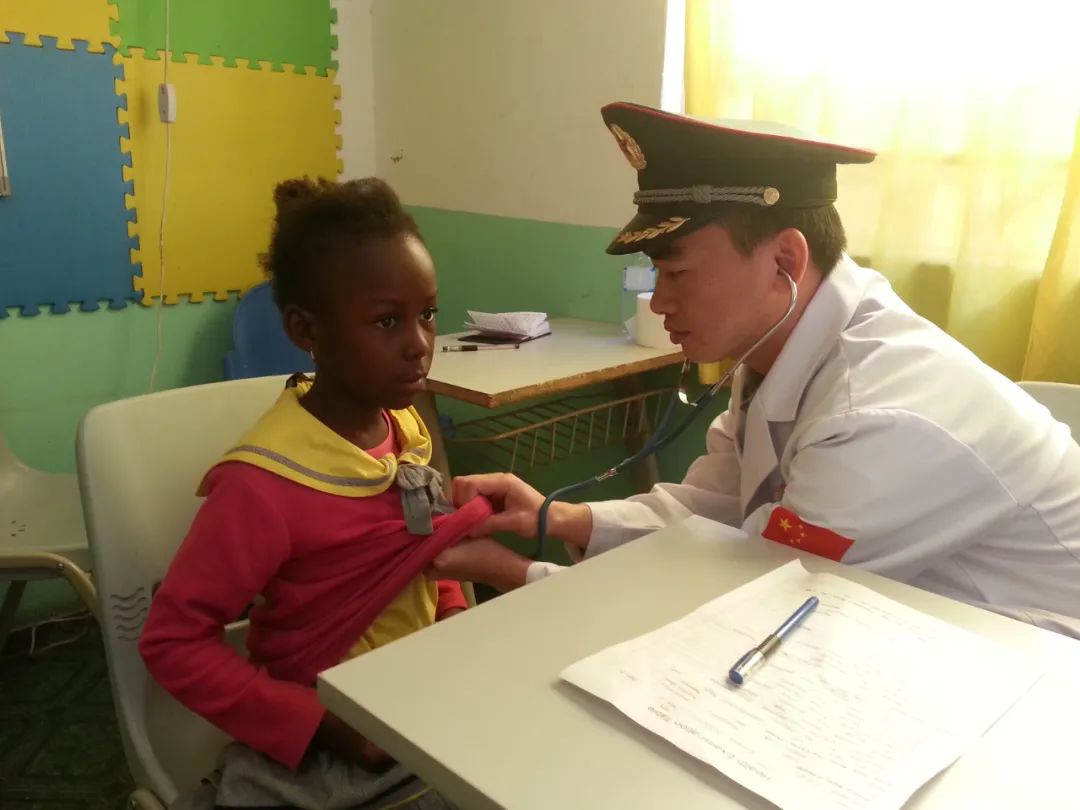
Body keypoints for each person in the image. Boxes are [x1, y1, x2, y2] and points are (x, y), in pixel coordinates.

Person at [429, 101, 1080, 638]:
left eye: (678, 272)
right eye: (656, 273)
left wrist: (518, 576)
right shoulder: (782, 347)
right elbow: (714, 511)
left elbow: (757, 609)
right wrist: (563, 519)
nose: (660, 301)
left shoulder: (879, 419)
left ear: (784, 263)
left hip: (1037, 672)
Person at [140, 177, 489, 808]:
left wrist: (454, 634)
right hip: (332, 740)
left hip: (419, 706)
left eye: (427, 314)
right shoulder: (264, 483)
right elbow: (172, 642)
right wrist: (322, 726)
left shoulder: (406, 429)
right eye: (387, 321)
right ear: (306, 329)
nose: (419, 344)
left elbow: (424, 557)